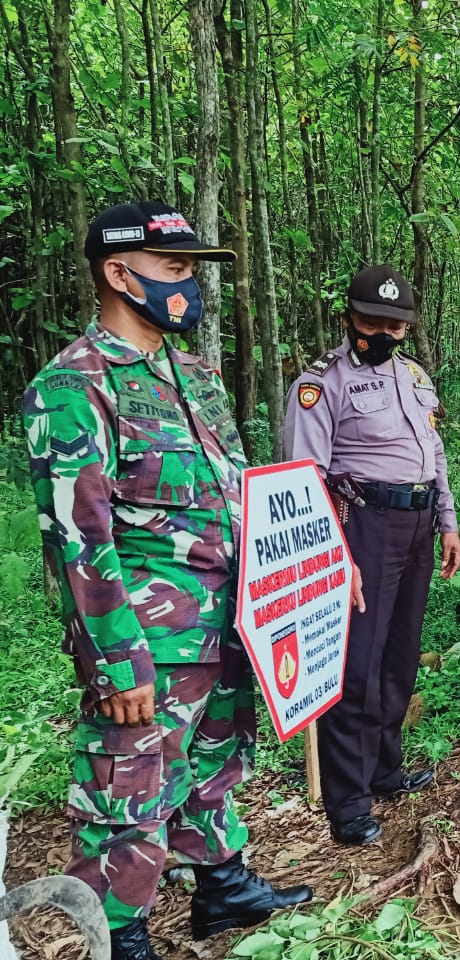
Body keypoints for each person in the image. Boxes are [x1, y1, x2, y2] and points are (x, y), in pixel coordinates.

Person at [23, 201, 312, 960]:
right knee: (129, 787)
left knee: (216, 760)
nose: (191, 285)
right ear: (120, 274)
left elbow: (243, 496)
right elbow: (79, 540)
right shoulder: (74, 387)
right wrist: (117, 660)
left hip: (227, 626)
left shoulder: (195, 375)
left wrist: (302, 586)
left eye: (192, 270)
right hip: (149, 643)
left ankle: (222, 887)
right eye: (176, 268)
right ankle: (119, 934)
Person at [283, 264, 460, 846]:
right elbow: (305, 477)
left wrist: (447, 521)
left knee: (399, 657)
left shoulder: (414, 376)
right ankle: (349, 799)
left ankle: (386, 769)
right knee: (356, 666)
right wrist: (337, 554)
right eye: (372, 322)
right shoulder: (321, 383)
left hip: (415, 525)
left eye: (396, 324)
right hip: (359, 525)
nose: (384, 333)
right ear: (349, 319)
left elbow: (431, 451)